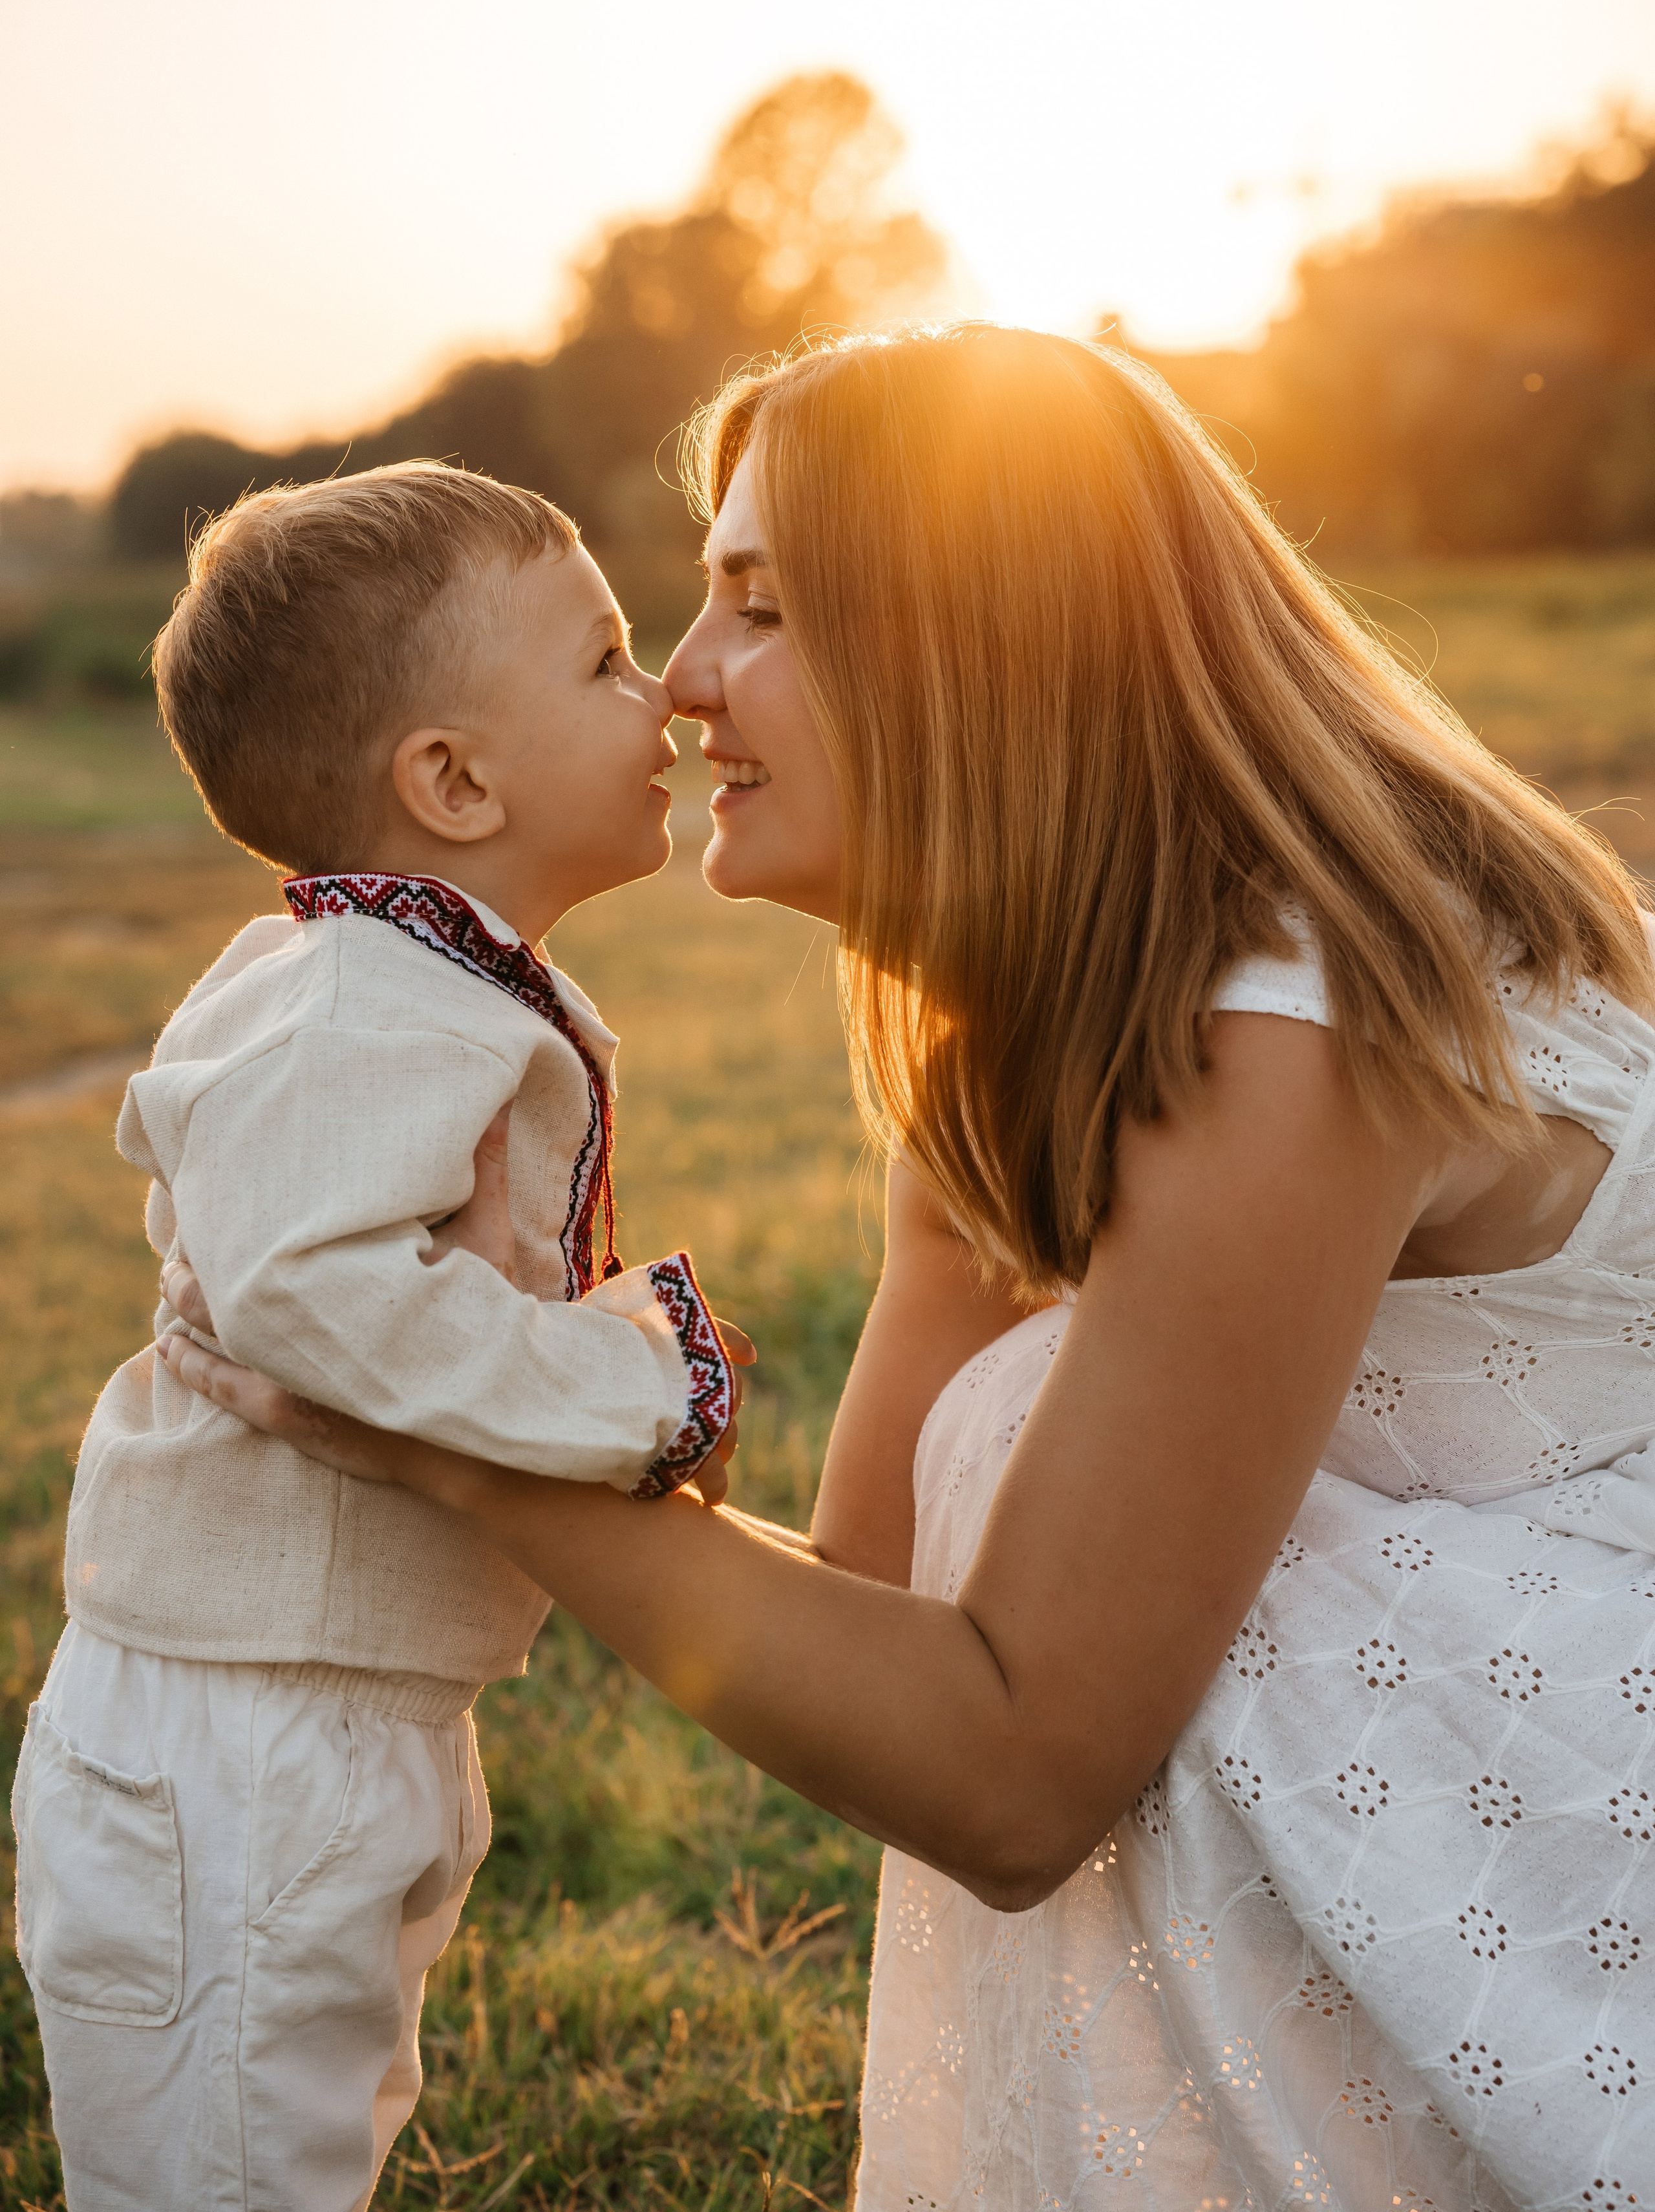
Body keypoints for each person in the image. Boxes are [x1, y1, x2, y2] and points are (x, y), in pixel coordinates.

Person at [159, 326, 1655, 2208]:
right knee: (1006, 1454)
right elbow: (876, 1614)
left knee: (1045, 1482)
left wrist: (447, 1437)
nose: (687, 686)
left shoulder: (1282, 1014)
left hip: (1589, 1783)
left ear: (979, 647)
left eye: (757, 608)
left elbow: (1015, 1775)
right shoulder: (1031, 1029)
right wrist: (529, 1380)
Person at [11, 463, 745, 2212]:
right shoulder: (355, 992)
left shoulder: (428, 981)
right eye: (607, 663)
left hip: (329, 1712)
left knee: (298, 2139)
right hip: (253, 1737)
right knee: (231, 2171)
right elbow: (301, 1294)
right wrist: (631, 1385)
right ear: (455, 779)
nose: (661, 699)